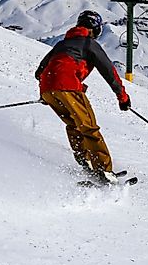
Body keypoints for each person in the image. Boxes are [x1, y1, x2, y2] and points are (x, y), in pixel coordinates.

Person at [35, 10, 131, 184]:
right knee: (89, 127)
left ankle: (85, 160)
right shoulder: (89, 44)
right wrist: (122, 97)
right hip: (68, 87)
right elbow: (109, 72)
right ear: (96, 28)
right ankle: (104, 171)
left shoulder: (62, 44)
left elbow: (40, 70)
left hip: (48, 88)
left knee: (73, 124)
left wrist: (47, 93)